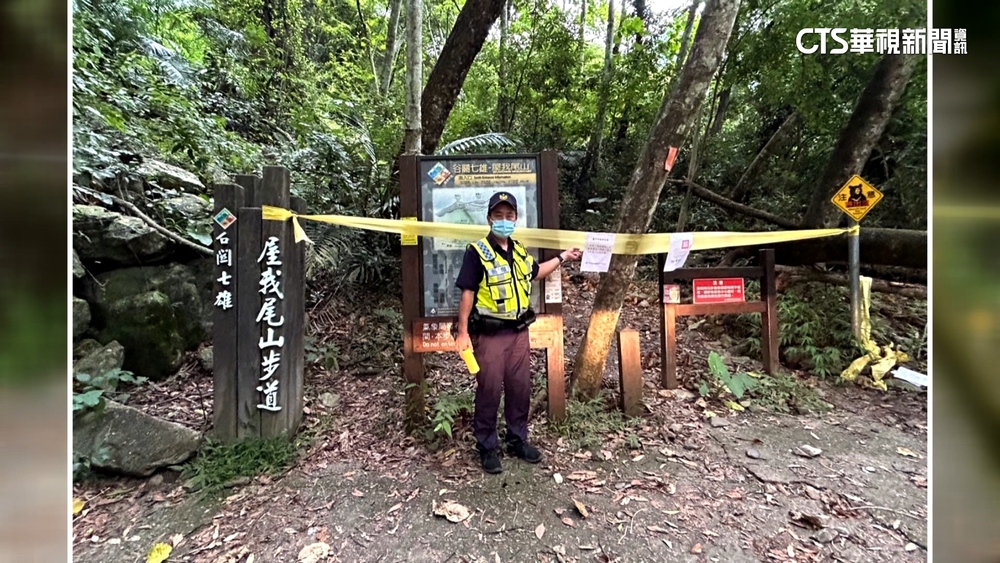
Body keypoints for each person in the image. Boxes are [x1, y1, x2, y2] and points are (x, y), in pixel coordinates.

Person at [453, 191, 582, 474]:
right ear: (489, 218)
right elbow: (468, 293)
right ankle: (487, 446)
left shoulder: (520, 250)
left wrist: (563, 257)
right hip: (490, 335)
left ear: (515, 219)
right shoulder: (477, 252)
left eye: (509, 216)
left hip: (519, 333)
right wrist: (462, 332)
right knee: (488, 390)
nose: (504, 221)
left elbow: (535, 272)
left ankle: (517, 439)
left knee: (520, 388)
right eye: (498, 216)